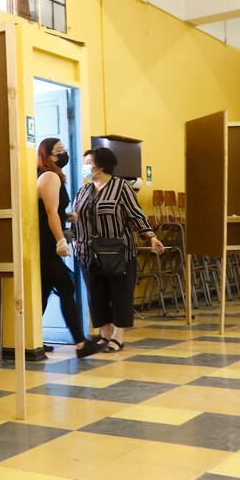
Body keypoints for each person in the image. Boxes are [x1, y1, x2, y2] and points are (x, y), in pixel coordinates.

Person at [72, 147, 164, 352]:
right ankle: (104, 335)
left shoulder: (121, 187)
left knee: (120, 294)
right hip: (88, 253)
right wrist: (71, 239)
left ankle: (118, 337)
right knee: (96, 295)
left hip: (119, 252)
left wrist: (151, 236)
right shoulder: (83, 190)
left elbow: (136, 214)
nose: (85, 166)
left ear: (101, 165)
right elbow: (74, 216)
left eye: (88, 162)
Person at [36, 137, 102, 359]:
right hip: (47, 244)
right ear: (48, 155)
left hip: (44, 242)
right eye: (58, 150)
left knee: (44, 291)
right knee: (65, 286)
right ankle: (81, 344)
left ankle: (32, 339)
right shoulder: (50, 176)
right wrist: (60, 241)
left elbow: (48, 211)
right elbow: (49, 212)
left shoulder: (45, 174)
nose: (63, 153)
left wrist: (66, 216)